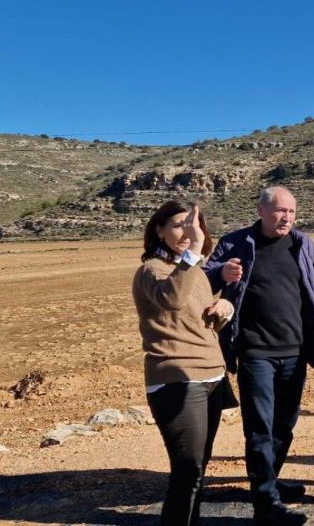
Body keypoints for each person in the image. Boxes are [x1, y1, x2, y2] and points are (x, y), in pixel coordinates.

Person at [205, 186, 314, 526]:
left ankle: (269, 482)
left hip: (295, 352)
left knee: (284, 425)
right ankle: (265, 505)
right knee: (259, 428)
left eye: (292, 212)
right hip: (256, 352)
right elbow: (203, 279)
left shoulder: (304, 244)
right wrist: (221, 273)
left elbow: (310, 293)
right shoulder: (236, 243)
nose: (286, 217)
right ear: (261, 210)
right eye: (280, 210)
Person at [132, 200, 237, 526]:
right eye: (179, 224)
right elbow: (171, 299)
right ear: (159, 230)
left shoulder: (196, 274)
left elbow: (198, 325)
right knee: (187, 469)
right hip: (177, 380)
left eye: (194, 225)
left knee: (199, 467)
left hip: (211, 376)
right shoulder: (151, 271)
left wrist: (225, 310)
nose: (188, 231)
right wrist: (193, 254)